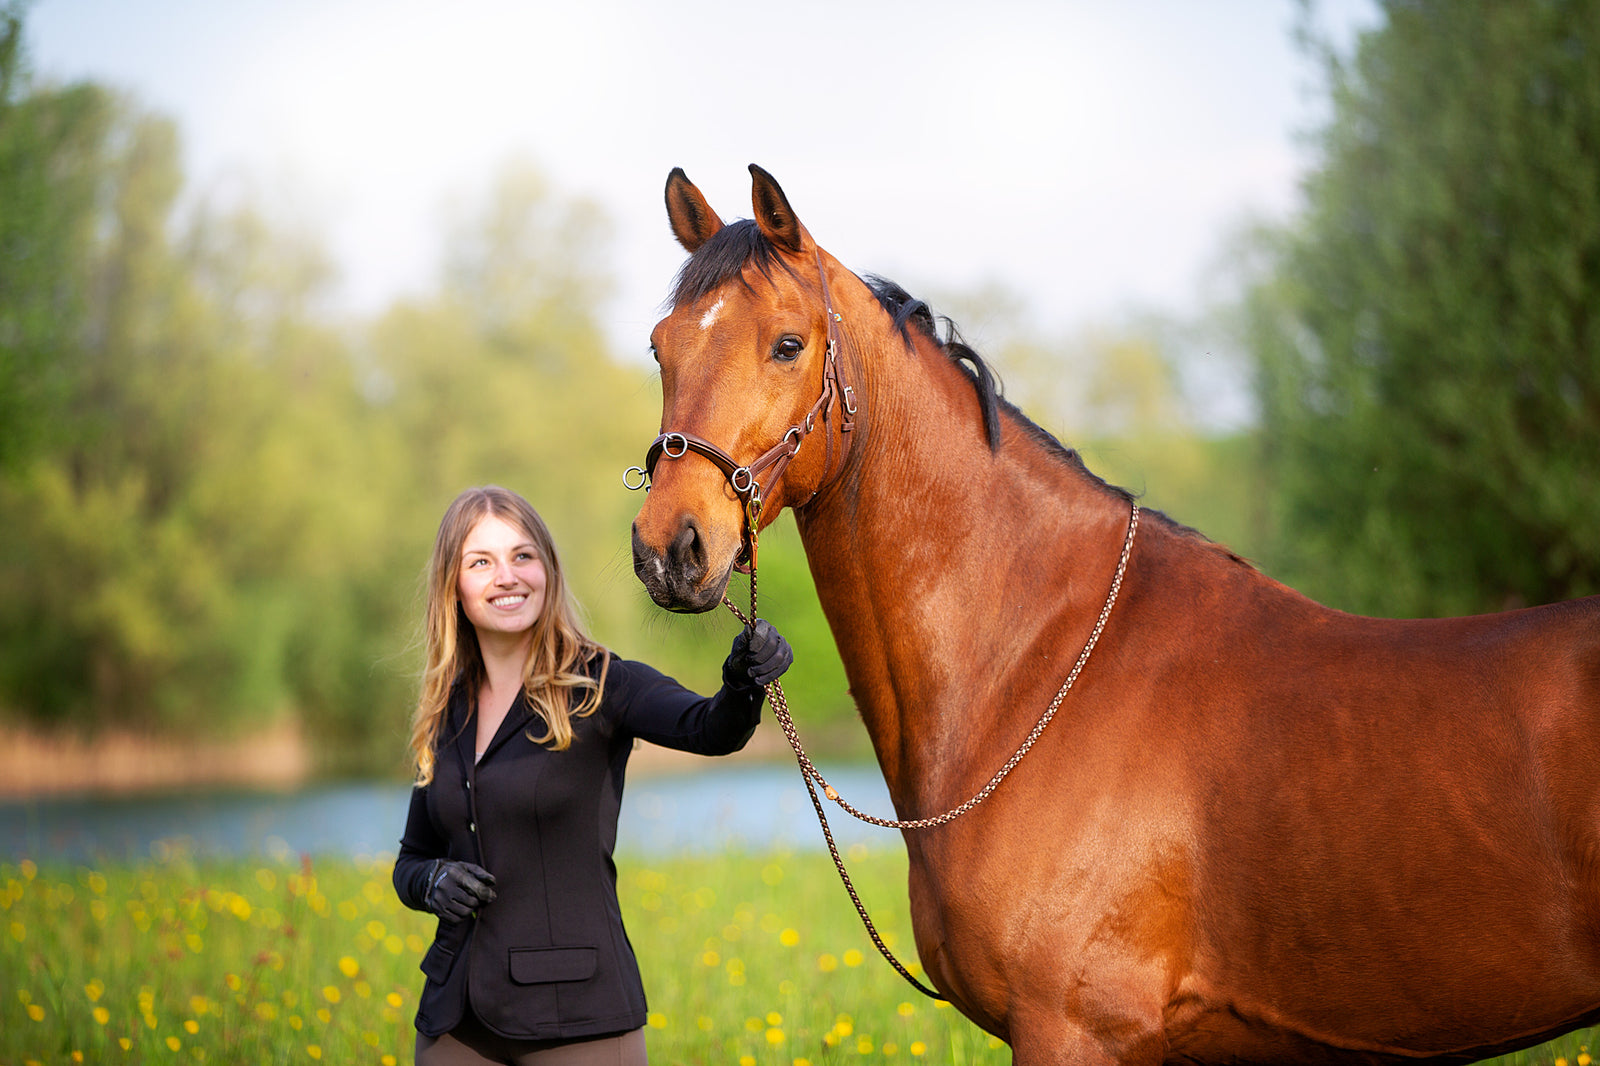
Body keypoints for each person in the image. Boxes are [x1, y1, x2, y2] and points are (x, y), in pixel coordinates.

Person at [392, 485, 793, 1065]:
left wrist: (742, 682)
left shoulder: (602, 682)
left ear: (548, 570)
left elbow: (709, 729)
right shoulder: (444, 710)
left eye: (522, 556)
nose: (506, 576)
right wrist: (431, 881)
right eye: (481, 562)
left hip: (579, 1021)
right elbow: (410, 860)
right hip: (454, 1024)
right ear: (453, 586)